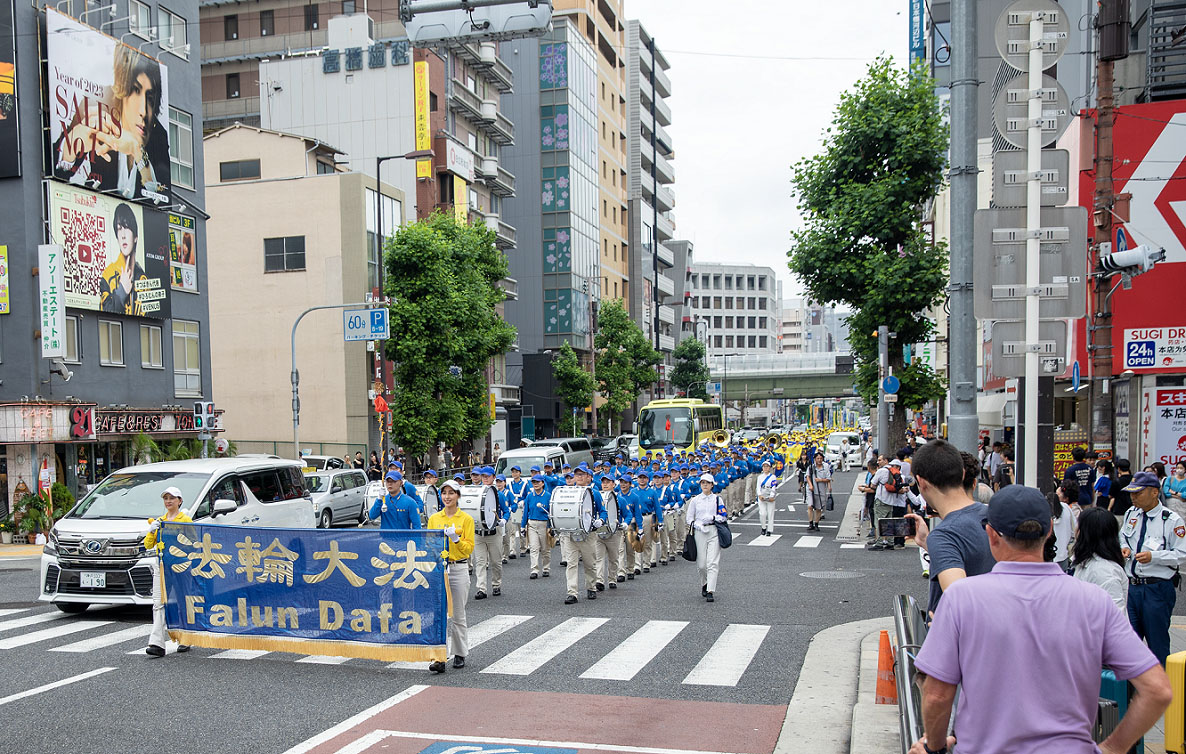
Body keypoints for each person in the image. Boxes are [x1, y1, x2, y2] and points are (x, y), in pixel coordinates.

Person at [909, 485, 1171, 754]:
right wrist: (1113, 748)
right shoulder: (1093, 600)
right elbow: (1157, 690)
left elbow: (937, 694)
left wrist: (935, 747)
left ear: (991, 534)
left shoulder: (962, 598)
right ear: (1048, 530)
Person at [55, 45, 168, 200]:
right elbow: (52, 178)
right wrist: (70, 147)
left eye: (150, 98)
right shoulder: (95, 105)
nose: (143, 110)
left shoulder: (159, 135)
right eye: (135, 90)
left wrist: (139, 154)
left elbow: (161, 201)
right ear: (122, 88)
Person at [905, 439, 995, 617]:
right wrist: (928, 543)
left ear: (921, 482)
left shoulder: (945, 535)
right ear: (963, 474)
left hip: (962, 642)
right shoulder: (993, 515)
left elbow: (960, 602)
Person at [1120, 471, 1186, 665]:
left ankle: (1161, 692)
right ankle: (1131, 693)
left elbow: (1181, 554)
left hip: (1156, 589)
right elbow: (1123, 535)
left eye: (1138, 493)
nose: (1133, 497)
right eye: (1131, 493)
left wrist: (1153, 557)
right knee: (1128, 645)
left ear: (1154, 492)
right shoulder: (1131, 513)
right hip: (1132, 588)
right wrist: (1123, 547)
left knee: (1157, 645)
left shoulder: (1171, 520)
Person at [426, 479, 474, 672]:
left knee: (458, 613)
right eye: (444, 493)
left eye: (451, 493)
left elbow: (468, 549)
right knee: (438, 614)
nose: (447, 497)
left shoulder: (466, 519)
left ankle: (460, 652)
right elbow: (428, 543)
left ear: (458, 496)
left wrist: (455, 540)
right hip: (439, 568)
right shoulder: (434, 518)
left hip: (458, 568)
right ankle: (438, 657)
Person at [143, 487, 192, 657]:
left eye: (172, 498)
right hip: (162, 565)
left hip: (181, 566)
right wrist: (152, 531)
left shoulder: (184, 519)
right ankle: (156, 643)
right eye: (166, 498)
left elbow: (192, 541)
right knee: (158, 603)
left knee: (182, 600)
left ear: (179, 501)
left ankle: (185, 637)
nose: (168, 501)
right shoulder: (159, 521)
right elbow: (148, 545)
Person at [1073, 506, 1128, 611]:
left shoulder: (1104, 572)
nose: (1076, 530)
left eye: (1079, 525)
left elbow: (1116, 617)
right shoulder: (1086, 563)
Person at [98, 203, 149, 316]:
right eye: (119, 229)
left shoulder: (143, 278)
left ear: (135, 236)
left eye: (127, 227)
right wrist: (121, 292)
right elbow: (103, 315)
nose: (123, 235)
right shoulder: (108, 275)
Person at [685, 473, 727, 603]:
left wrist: (714, 518)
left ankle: (710, 590)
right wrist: (696, 524)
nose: (705, 485)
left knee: (712, 562)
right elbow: (689, 518)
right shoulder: (695, 500)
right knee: (702, 564)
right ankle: (705, 582)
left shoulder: (717, 499)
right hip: (700, 531)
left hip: (713, 529)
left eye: (707, 483)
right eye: (703, 483)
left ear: (712, 485)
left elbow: (724, 515)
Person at [472, 467, 507, 600]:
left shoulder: (499, 494)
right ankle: (481, 588)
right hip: (479, 533)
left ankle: (496, 584)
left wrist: (504, 519)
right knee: (480, 562)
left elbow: (506, 510)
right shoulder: (477, 492)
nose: (485, 478)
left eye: (488, 476)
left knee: (496, 562)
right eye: (483, 476)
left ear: (493, 477)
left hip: (494, 532)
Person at [520, 474, 552, 578]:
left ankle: (546, 568)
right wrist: (523, 526)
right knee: (533, 548)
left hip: (544, 524)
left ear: (543, 483)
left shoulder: (548, 496)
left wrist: (551, 526)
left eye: (538, 482)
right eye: (534, 482)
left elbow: (551, 513)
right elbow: (526, 512)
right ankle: (534, 570)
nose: (536, 484)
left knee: (545, 548)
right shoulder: (529, 496)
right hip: (532, 523)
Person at [1048, 490, 1076, 572]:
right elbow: (1074, 528)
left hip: (1048, 558)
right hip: (1063, 555)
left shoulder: (1045, 512)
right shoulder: (1066, 508)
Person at [805, 453, 832, 532]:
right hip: (811, 490)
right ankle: (810, 523)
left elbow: (828, 478)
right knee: (810, 506)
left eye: (820, 458)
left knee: (819, 508)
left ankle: (816, 523)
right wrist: (810, 485)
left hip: (821, 489)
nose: (819, 460)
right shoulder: (811, 467)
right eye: (817, 458)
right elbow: (807, 476)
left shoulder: (826, 467)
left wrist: (820, 480)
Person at [756, 460, 779, 536]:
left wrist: (772, 496)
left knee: (770, 513)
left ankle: (769, 529)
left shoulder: (773, 477)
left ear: (770, 468)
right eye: (764, 466)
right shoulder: (760, 477)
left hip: (770, 497)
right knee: (762, 513)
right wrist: (759, 495)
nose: (765, 468)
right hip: (762, 496)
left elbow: (774, 487)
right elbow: (758, 487)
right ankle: (763, 527)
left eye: (767, 466)